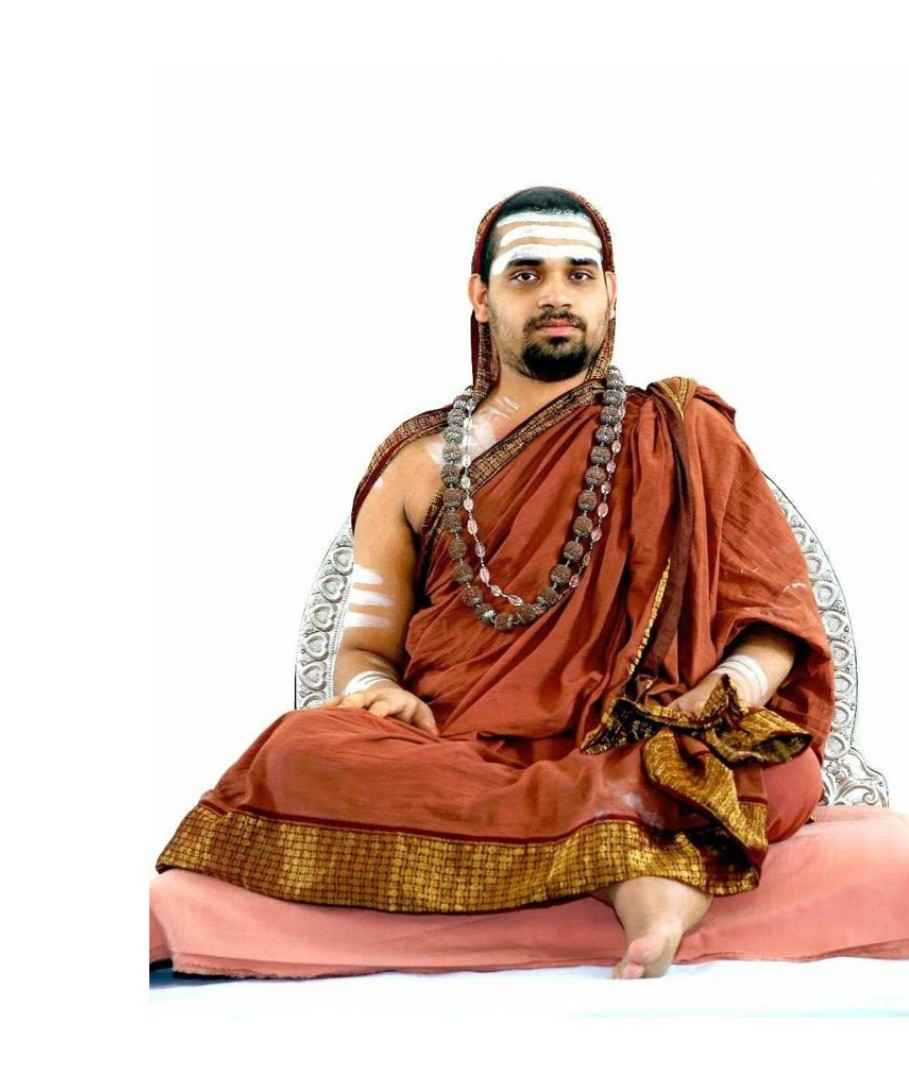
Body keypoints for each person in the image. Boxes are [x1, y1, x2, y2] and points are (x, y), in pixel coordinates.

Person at [155, 185, 835, 980]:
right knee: (300, 751)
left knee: (780, 764)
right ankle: (634, 864)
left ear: (611, 292)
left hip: (644, 738)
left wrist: (724, 689)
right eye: (526, 275)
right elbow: (365, 649)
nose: (556, 295)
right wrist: (378, 690)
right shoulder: (418, 466)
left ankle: (620, 865)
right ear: (480, 297)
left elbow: (776, 619)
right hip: (461, 750)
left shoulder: (684, 434)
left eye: (580, 274)